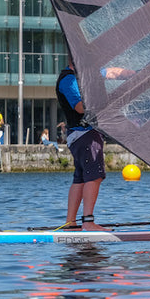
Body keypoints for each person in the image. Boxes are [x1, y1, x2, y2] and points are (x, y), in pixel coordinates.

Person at [56, 57, 107, 231]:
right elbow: (79, 107)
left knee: (80, 178)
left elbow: (113, 71)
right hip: (84, 135)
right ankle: (88, 221)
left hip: (80, 136)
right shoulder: (69, 79)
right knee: (95, 176)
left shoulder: (84, 75)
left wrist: (138, 74)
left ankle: (71, 222)